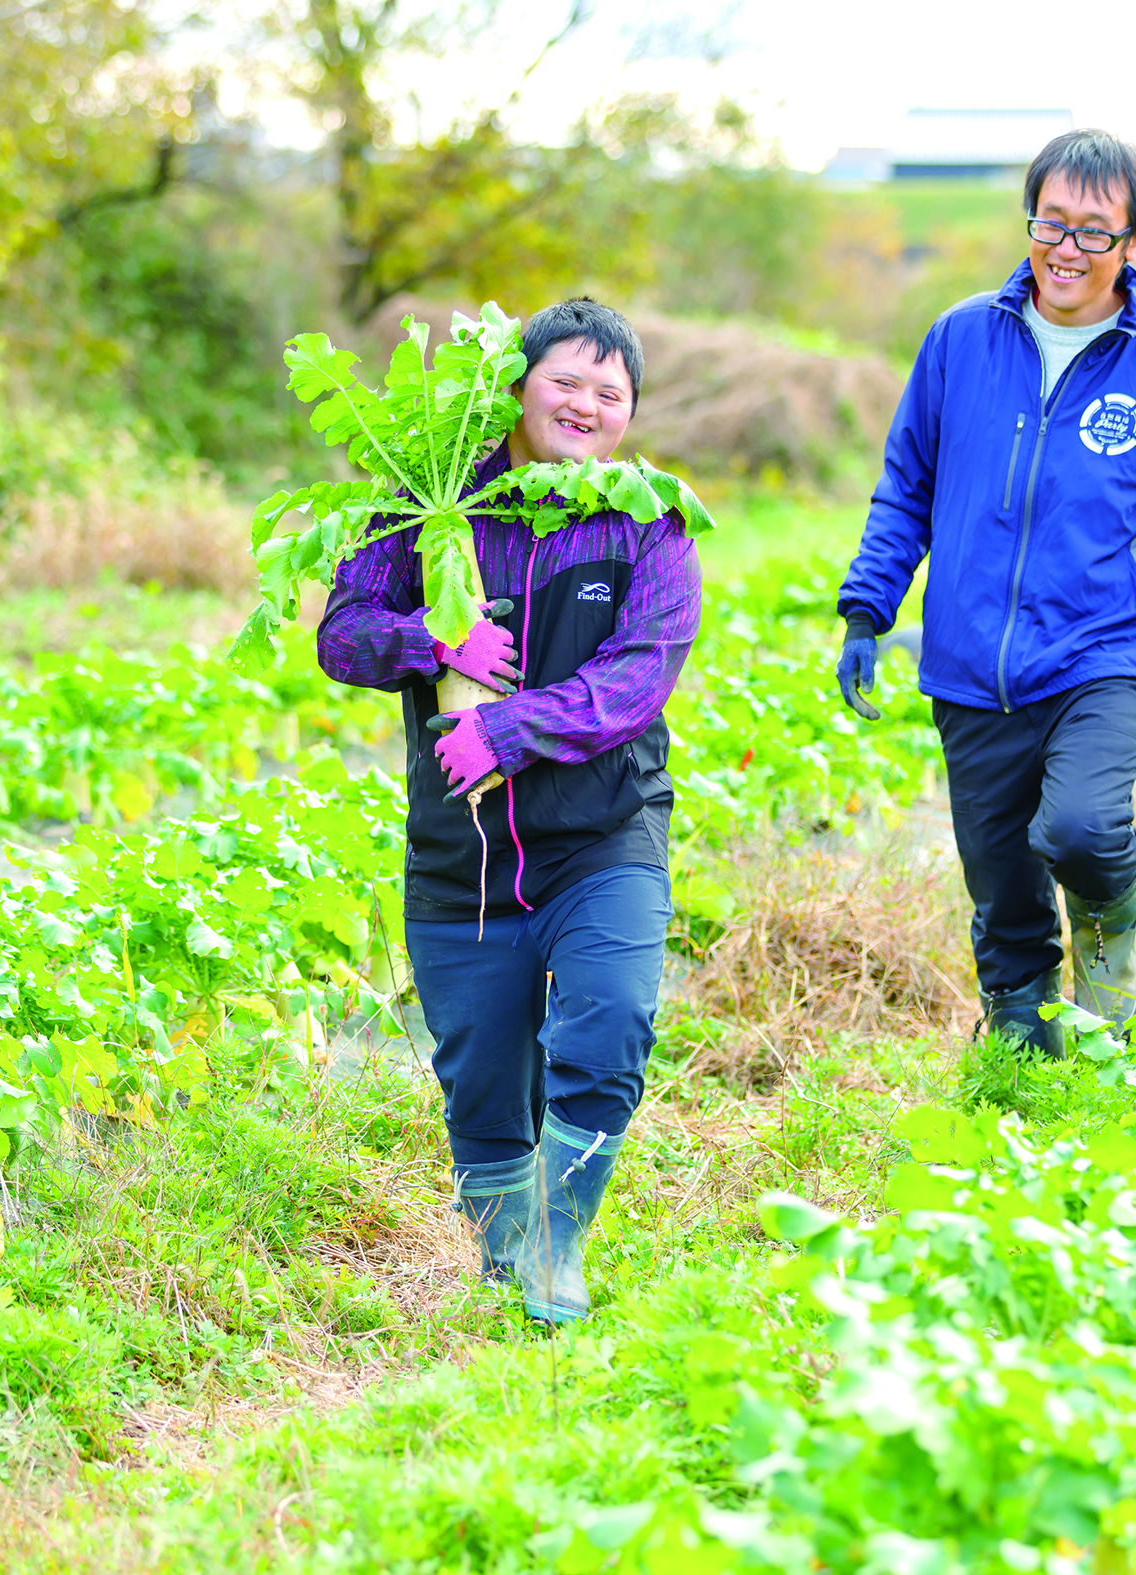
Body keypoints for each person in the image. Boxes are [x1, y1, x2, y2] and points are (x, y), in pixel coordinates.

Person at [834, 129, 1136, 1056]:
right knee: (1002, 882)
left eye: (1094, 232)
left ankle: (1108, 980)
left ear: (1134, 244)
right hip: (969, 659)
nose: (1066, 249)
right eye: (1050, 223)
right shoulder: (959, 340)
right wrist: (869, 609)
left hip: (1100, 650)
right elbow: (906, 483)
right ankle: (1025, 1050)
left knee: (1077, 826)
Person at [316, 299, 702, 1323]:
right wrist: (432, 642)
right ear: (516, 389)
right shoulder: (425, 509)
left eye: (609, 393)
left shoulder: (650, 520)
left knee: (609, 1021)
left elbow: (637, 680)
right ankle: (509, 1263)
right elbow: (342, 635)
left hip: (604, 834)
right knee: (482, 1086)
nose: (585, 405)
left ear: (629, 414)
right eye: (565, 382)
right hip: (463, 852)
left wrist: (509, 730)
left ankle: (560, 1246)